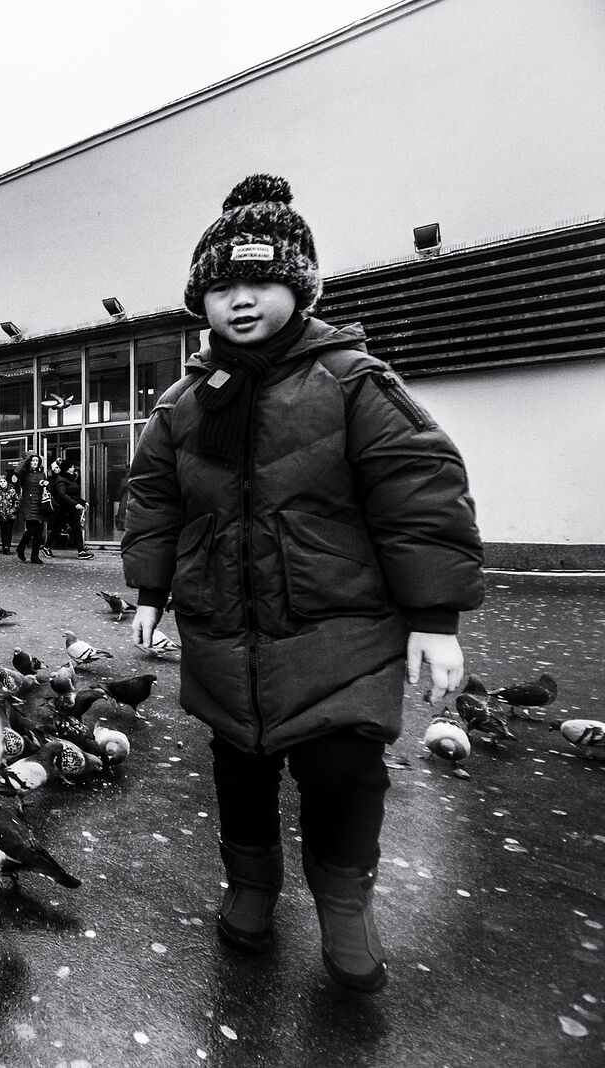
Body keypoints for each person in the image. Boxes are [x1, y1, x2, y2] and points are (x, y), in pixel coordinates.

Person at [122, 174, 484, 993]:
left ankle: (344, 905)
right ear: (200, 299)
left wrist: (435, 616)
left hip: (339, 630)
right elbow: (152, 501)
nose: (239, 302)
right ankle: (251, 886)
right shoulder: (184, 401)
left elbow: (420, 487)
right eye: (221, 287)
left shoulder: (352, 379)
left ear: (300, 286)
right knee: (239, 768)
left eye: (259, 283)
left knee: (341, 775)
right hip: (223, 631)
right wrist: (150, 593)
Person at [46, 455, 93, 560]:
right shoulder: (61, 480)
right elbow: (62, 495)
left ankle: (81, 551)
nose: (73, 468)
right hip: (64, 509)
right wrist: (75, 504)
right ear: (66, 468)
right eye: (71, 467)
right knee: (57, 529)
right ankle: (46, 547)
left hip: (71, 509)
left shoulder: (71, 479)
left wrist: (83, 502)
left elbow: (74, 495)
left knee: (76, 529)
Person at [12, 454, 50, 564]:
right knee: (31, 529)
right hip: (28, 504)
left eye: (36, 461)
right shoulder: (24, 473)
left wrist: (46, 484)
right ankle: (21, 547)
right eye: (32, 460)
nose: (34, 462)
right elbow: (16, 473)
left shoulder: (42, 473)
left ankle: (35, 556)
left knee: (38, 532)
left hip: (39, 504)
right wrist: (26, 459)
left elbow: (47, 486)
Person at [0, 475, 20, 554]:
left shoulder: (12, 491)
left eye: (4, 481)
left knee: (8, 531)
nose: (2, 483)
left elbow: (17, 502)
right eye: (1, 482)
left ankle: (7, 547)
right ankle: (3, 546)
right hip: (1, 515)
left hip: (10, 515)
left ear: (7, 482)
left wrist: (12, 510)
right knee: (3, 531)